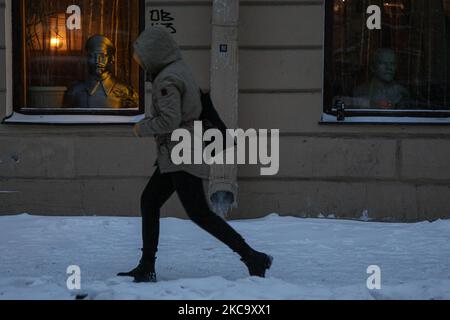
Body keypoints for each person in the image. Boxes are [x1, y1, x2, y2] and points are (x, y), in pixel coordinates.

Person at [117, 26, 273, 283]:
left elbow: (169, 120)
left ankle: (253, 257)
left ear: (155, 54)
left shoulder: (166, 79)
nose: (142, 64)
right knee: (150, 200)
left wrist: (141, 127)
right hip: (178, 151)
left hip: (181, 152)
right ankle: (147, 265)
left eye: (143, 58)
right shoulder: (179, 69)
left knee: (199, 213)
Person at [63, 35, 139, 109]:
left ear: (111, 58)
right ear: (87, 59)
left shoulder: (126, 92)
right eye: (93, 56)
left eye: (102, 56)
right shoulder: (75, 91)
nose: (97, 61)